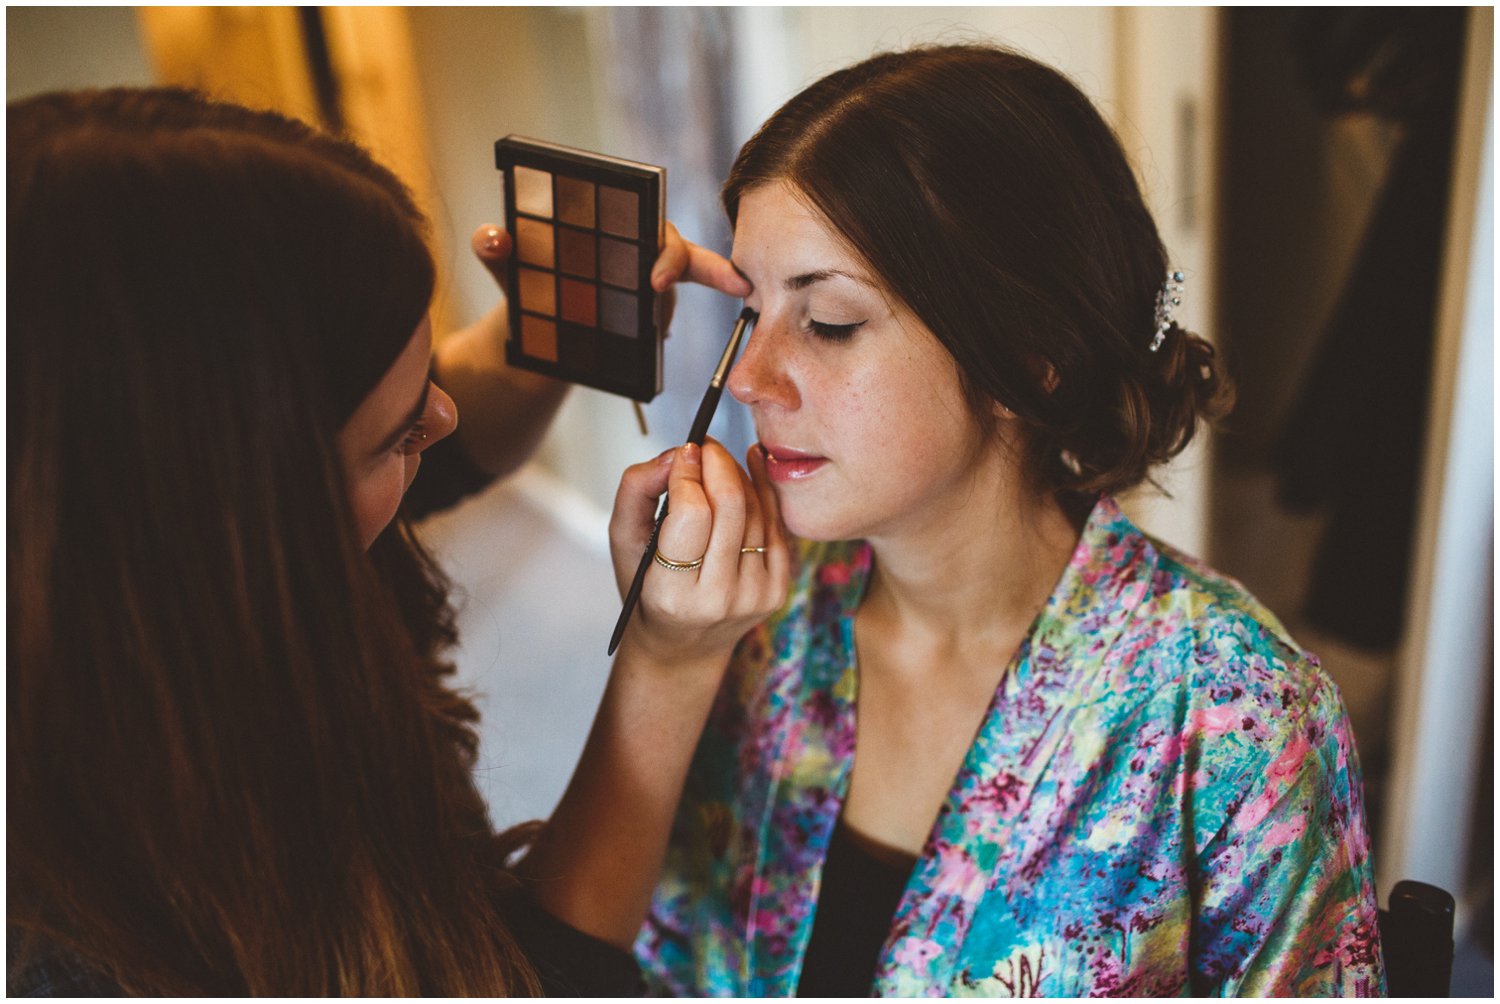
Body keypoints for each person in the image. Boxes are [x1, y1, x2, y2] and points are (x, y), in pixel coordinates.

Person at [635, 45, 1386, 996]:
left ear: (1033, 350)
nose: (746, 377)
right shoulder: (749, 620)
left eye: (827, 322)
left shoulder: (1238, 713)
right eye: (752, 311)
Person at [8, 86, 782, 996]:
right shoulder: (91, 932)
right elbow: (503, 977)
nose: (448, 414)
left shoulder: (79, 516)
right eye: (402, 433)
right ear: (250, 522)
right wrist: (668, 663)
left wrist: (560, 323)